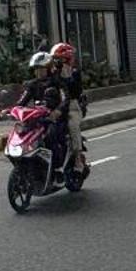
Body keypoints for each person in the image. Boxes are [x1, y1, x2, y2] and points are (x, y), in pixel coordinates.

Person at [50, 41, 87, 175]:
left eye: (60, 60)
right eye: (55, 60)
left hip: (72, 105)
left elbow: (77, 91)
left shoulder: (74, 73)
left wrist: (69, 78)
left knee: (72, 125)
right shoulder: (53, 73)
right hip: (56, 105)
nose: (57, 63)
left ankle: (77, 157)